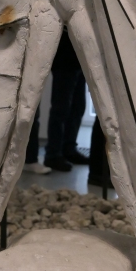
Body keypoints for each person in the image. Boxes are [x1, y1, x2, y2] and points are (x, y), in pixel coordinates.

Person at [43, 29, 89, 172]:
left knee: (78, 108)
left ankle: (68, 148)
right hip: (64, 57)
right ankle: (53, 154)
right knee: (61, 109)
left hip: (79, 58)